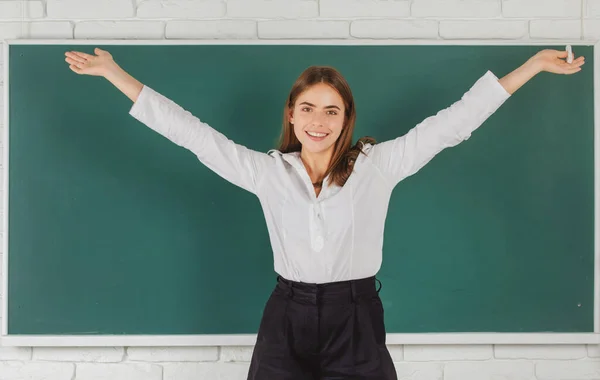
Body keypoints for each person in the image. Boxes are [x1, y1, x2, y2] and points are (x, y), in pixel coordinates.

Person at [64, 47, 584, 379]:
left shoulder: (378, 165)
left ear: (345, 119)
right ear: (292, 114)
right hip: (285, 314)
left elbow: (452, 123)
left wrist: (533, 66)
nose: (318, 121)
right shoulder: (266, 172)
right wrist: (115, 73)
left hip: (354, 316)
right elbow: (191, 134)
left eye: (331, 110)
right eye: (308, 108)